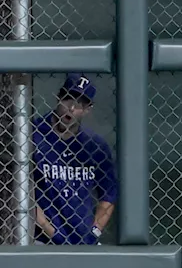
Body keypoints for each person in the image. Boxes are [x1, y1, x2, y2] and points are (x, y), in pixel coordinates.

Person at [31, 73, 118, 245]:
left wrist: (94, 233)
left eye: (80, 103)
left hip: (83, 241)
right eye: (68, 99)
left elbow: (109, 194)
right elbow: (21, 191)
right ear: (58, 98)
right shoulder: (34, 134)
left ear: (87, 109)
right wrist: (50, 231)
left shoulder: (95, 146)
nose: (71, 108)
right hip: (41, 239)